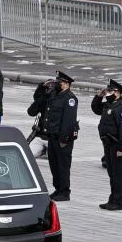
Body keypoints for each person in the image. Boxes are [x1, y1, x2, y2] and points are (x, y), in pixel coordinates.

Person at [92, 79, 122, 210]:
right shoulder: (109, 105)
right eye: (108, 90)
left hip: (117, 145)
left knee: (118, 174)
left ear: (118, 92)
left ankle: (119, 202)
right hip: (108, 144)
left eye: (110, 91)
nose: (108, 93)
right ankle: (113, 199)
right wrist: (99, 96)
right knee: (111, 173)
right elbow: (96, 108)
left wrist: (121, 148)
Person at [42, 69, 79, 201]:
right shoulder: (54, 95)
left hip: (63, 139)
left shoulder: (70, 99)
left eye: (59, 82)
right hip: (52, 136)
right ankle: (58, 188)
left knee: (63, 166)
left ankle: (64, 191)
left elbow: (68, 121)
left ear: (66, 84)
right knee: (54, 165)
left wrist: (64, 139)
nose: (57, 83)